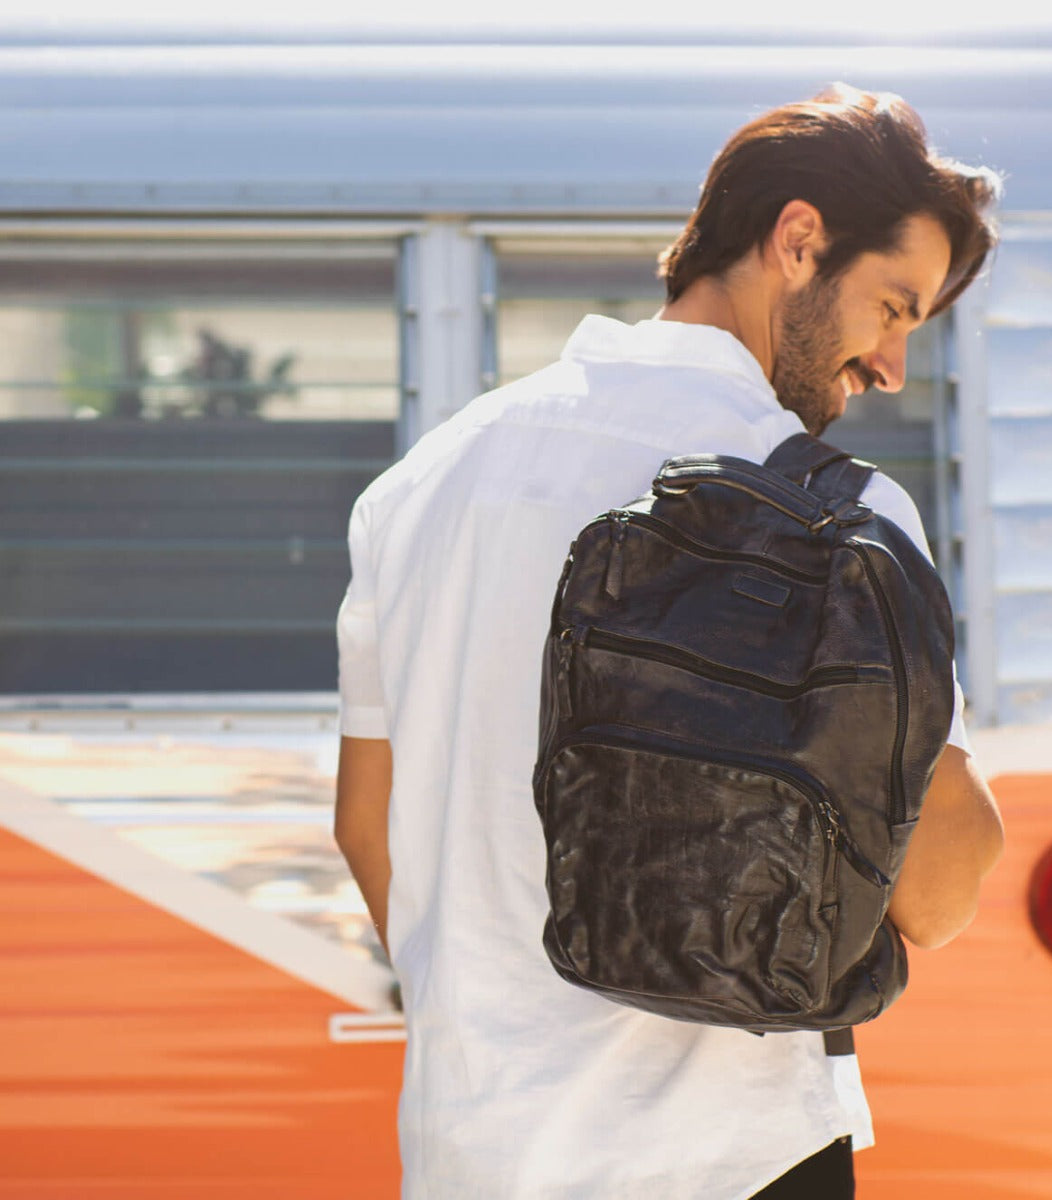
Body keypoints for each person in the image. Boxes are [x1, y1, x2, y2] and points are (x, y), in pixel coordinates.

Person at [334, 83, 1006, 1200]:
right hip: (727, 1155)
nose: (890, 366)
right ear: (798, 241)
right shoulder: (837, 515)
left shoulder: (418, 486)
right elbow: (936, 893)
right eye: (892, 307)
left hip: (470, 1153)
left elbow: (369, 827)